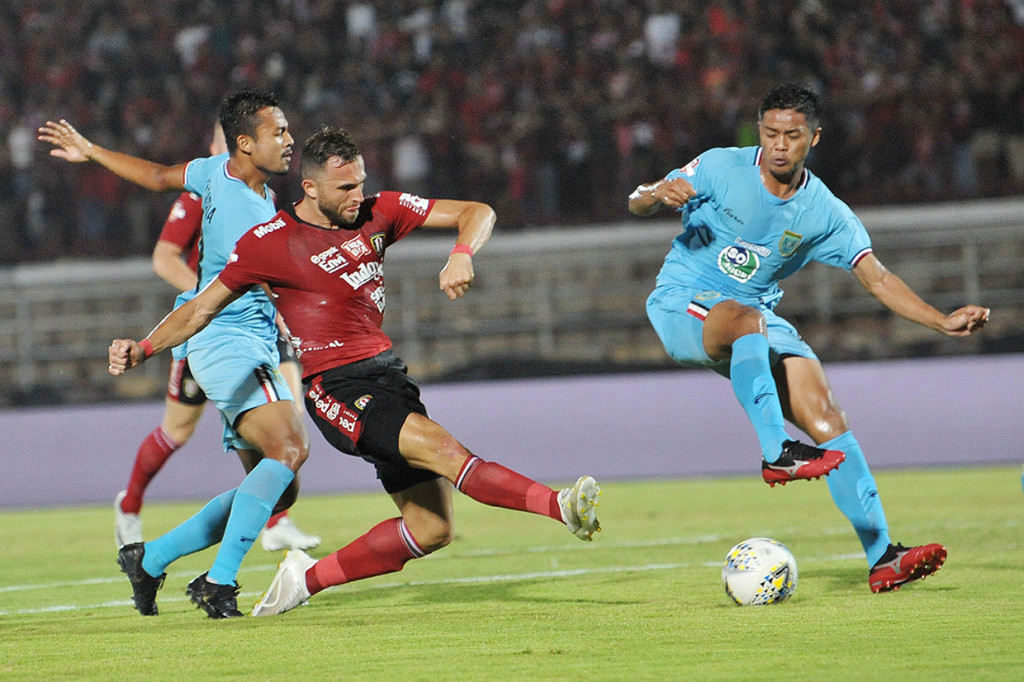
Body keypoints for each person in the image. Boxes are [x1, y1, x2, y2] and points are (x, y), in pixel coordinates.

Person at [105, 126, 603, 618]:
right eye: (344, 188)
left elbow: (478, 212)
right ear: (310, 187)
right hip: (336, 387)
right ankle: (559, 505)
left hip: (388, 376)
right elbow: (199, 309)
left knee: (431, 530)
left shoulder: (379, 210)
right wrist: (145, 347)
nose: (356, 196)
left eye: (360, 183)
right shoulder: (269, 242)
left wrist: (461, 253)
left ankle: (304, 579)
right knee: (446, 451)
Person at [628, 83, 990, 593]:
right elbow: (637, 200)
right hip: (682, 302)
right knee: (745, 317)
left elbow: (878, 277)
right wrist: (654, 193)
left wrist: (941, 320)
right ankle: (776, 451)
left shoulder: (825, 212)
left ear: (813, 138)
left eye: (792, 135)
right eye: (770, 132)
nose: (779, 144)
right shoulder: (719, 167)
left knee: (828, 418)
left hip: (755, 318)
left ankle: (883, 554)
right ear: (760, 131)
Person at [39, 88, 311, 618]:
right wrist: (144, 347)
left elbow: (159, 176)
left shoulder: (222, 175)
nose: (289, 139)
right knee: (290, 449)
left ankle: (150, 558)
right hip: (227, 341)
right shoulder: (244, 214)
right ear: (246, 144)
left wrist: (93, 151)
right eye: (278, 131)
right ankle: (219, 583)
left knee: (280, 489)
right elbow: (206, 305)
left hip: (241, 341)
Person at [113, 122, 320, 554]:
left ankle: (276, 521)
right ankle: (129, 508)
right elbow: (163, 258)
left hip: (259, 325)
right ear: (214, 149)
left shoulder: (262, 195)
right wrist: (212, 298)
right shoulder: (199, 196)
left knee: (288, 415)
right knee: (177, 431)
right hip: (207, 329)